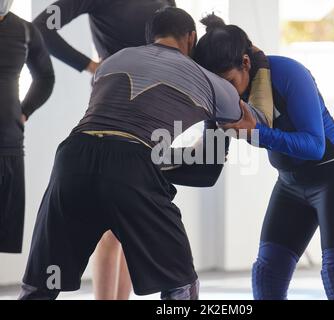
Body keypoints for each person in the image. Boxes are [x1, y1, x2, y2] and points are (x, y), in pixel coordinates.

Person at [19, 7, 268, 300]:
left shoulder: (113, 62)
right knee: (181, 286)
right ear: (190, 39)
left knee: (41, 285)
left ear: (151, 37)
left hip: (72, 158)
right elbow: (259, 122)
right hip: (131, 164)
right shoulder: (210, 82)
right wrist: (260, 61)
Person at [194, 15, 334, 300]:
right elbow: (208, 162)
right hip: (290, 184)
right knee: (267, 278)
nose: (224, 92)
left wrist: (258, 132)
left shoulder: (288, 73)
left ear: (246, 64)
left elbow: (315, 146)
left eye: (228, 82)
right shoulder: (221, 90)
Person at [34, 0, 176, 300]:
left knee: (131, 220)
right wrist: (91, 65)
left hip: (156, 112)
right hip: (114, 111)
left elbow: (175, 35)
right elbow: (42, 26)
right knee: (109, 226)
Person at [0, 0, 55, 254]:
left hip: (9, 145)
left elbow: (45, 76)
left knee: (4, 235)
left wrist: (25, 110)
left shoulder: (25, 30)